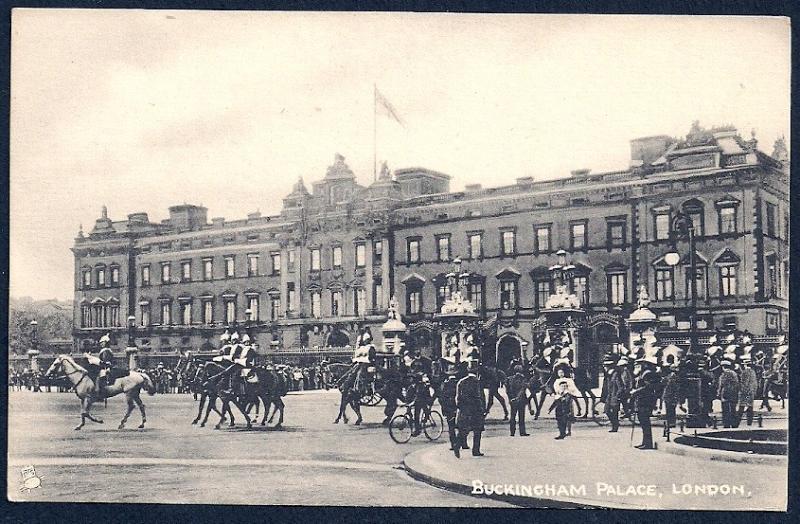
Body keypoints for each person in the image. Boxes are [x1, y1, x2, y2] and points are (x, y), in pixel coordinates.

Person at [453, 361, 486, 458]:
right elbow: (480, 397)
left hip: (465, 410)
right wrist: (482, 409)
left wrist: (461, 408)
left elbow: (458, 398)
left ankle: (457, 446)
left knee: (463, 430)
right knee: (477, 430)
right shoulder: (477, 382)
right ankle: (476, 450)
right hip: (476, 410)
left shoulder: (461, 382)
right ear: (477, 371)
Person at [629, 356, 661, 450]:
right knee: (643, 422)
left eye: (643, 363)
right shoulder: (644, 373)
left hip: (645, 400)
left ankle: (648, 443)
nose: (641, 365)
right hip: (643, 399)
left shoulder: (648, 374)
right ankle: (645, 442)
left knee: (645, 422)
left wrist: (636, 391)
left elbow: (648, 387)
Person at [439, 364, 461, 451]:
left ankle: (453, 443)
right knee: (460, 426)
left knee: (451, 427)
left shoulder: (444, 384)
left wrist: (443, 409)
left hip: (449, 408)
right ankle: (462, 443)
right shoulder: (459, 383)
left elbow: (441, 398)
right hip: (457, 407)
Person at [506, 365, 530, 437]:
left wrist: (511, 398)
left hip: (512, 400)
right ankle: (522, 432)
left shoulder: (509, 379)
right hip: (521, 400)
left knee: (513, 416)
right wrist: (517, 397)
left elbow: (507, 390)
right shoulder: (523, 379)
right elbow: (523, 389)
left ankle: (512, 432)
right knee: (521, 416)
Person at [600, 356, 623, 432]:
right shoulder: (608, 374)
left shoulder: (615, 374)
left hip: (614, 395)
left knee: (614, 411)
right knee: (607, 410)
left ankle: (615, 426)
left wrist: (618, 395)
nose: (604, 367)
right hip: (609, 396)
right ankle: (615, 424)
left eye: (605, 366)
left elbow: (620, 386)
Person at [717, 359, 740, 428]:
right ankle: (734, 424)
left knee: (725, 410)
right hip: (734, 394)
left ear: (723, 366)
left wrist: (718, 392)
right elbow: (737, 384)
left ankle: (726, 424)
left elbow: (721, 384)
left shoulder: (724, 374)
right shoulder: (734, 374)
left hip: (725, 394)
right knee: (733, 409)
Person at [737, 356, 758, 427]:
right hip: (751, 392)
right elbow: (755, 383)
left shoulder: (745, 372)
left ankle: (737, 422)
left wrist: (741, 391)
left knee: (741, 407)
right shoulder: (753, 372)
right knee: (750, 407)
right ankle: (749, 422)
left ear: (745, 365)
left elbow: (744, 383)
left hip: (745, 392)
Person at [661, 364, 681, 428]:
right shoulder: (674, 376)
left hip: (670, 395)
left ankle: (671, 422)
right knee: (671, 410)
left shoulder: (671, 376)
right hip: (669, 395)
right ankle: (671, 422)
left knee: (670, 409)